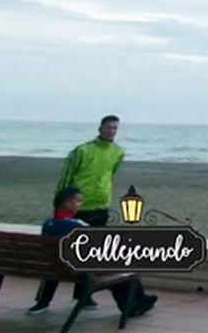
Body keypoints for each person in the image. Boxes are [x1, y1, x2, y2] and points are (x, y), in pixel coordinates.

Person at [34, 114, 124, 310]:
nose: (112, 131)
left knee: (88, 256)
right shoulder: (82, 150)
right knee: (58, 254)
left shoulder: (118, 152)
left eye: (115, 128)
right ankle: (43, 300)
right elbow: (65, 179)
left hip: (100, 209)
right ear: (100, 128)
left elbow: (111, 174)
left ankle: (83, 295)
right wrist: (58, 207)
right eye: (109, 127)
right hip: (76, 210)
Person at [28, 187, 158, 318]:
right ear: (67, 203)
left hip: (60, 269)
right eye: (78, 201)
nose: (80, 204)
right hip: (83, 272)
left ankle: (138, 301)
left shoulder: (48, 225)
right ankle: (134, 303)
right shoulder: (76, 225)